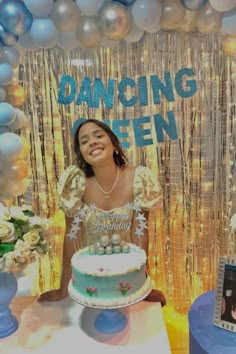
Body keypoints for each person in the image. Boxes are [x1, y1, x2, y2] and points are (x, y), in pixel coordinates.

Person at [38, 119, 166, 306]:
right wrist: (64, 287)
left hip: (125, 272)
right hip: (90, 277)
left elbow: (140, 233)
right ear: (82, 153)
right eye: (84, 141)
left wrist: (141, 282)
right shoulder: (76, 182)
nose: (92, 142)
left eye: (98, 136)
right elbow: (71, 236)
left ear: (114, 144)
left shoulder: (139, 178)